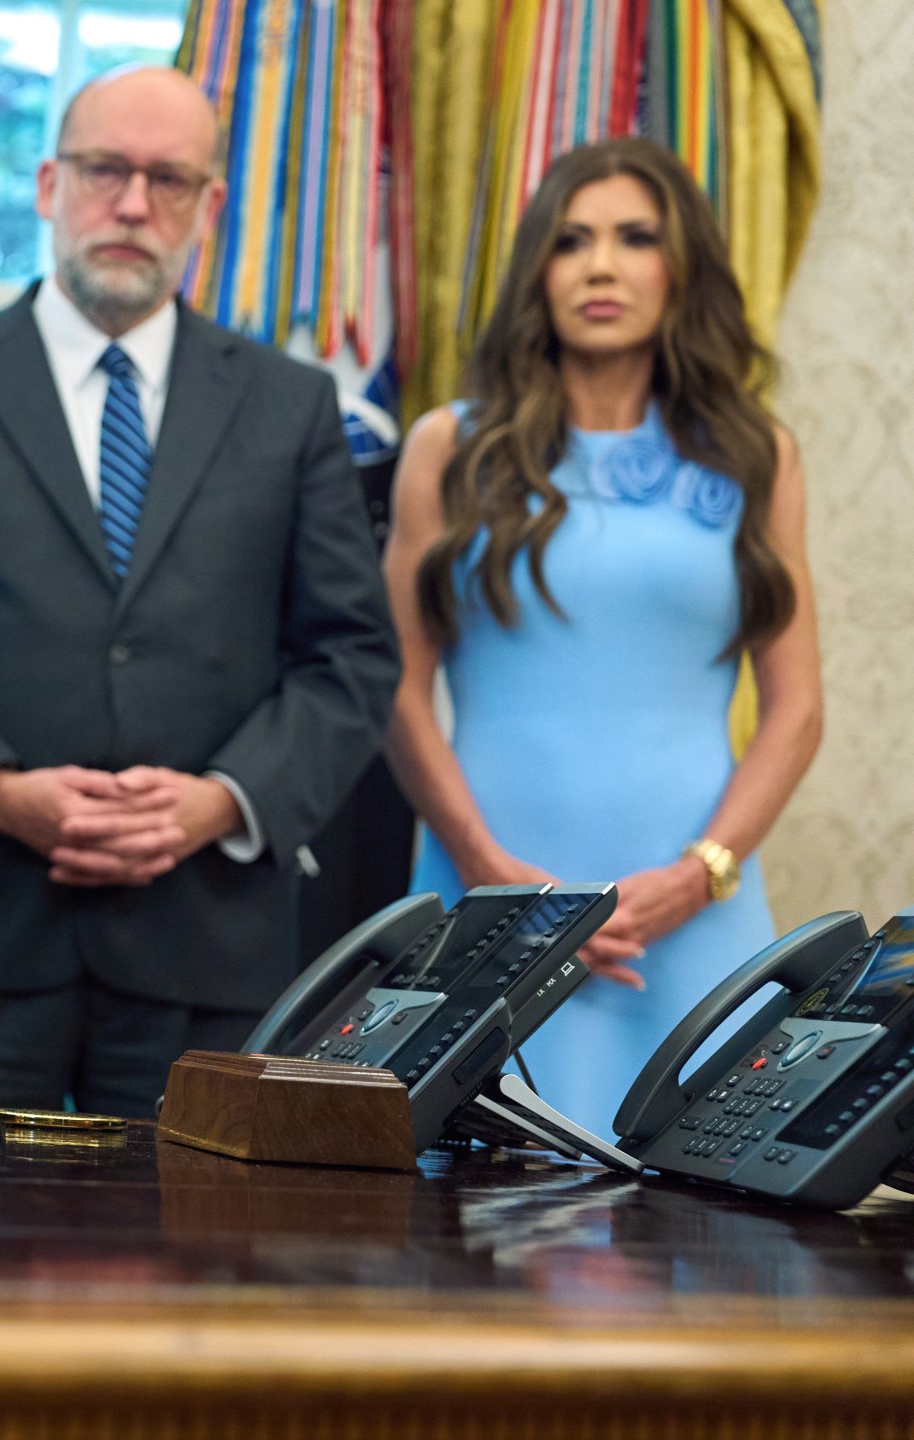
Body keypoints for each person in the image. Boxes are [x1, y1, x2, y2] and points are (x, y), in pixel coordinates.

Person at [0, 66, 398, 1115]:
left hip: (207, 963)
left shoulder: (290, 408)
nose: (131, 205)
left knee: (190, 1277)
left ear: (209, 208)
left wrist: (222, 802)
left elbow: (350, 657)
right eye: (105, 170)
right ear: (45, 184)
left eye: (168, 181)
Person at [385, 137, 822, 1129]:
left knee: (700, 1242)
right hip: (484, 900)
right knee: (464, 1241)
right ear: (538, 270)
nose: (600, 265)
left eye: (634, 238)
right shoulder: (449, 448)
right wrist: (494, 878)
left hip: (691, 915)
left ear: (681, 270)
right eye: (571, 241)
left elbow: (796, 710)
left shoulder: (756, 455)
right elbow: (396, 689)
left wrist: (694, 877)